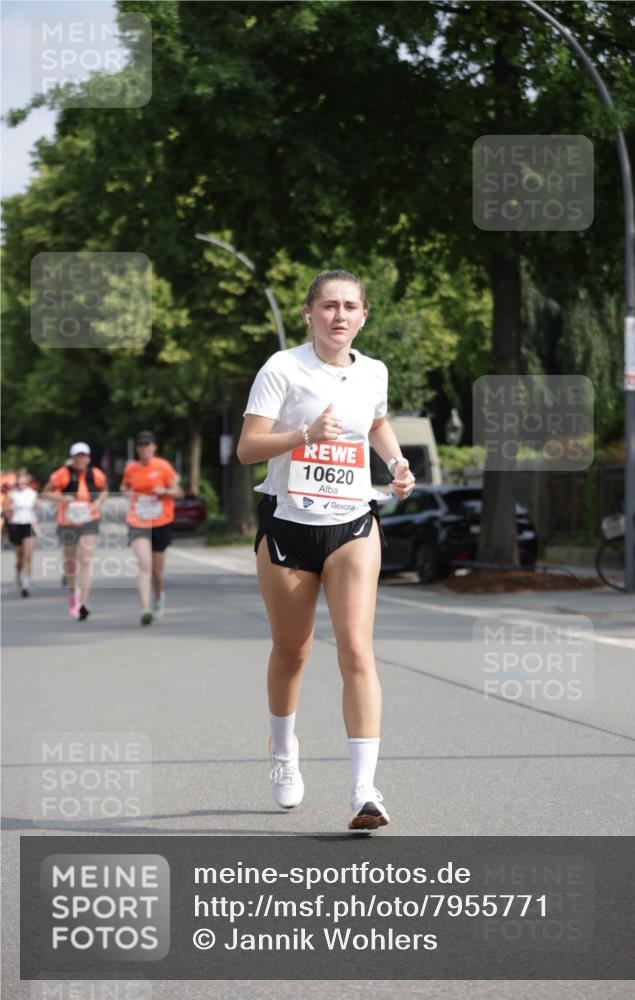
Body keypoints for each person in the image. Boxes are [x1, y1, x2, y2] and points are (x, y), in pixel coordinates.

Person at [237, 269, 415, 831]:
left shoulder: (374, 371)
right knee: (292, 652)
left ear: (364, 316)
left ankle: (365, 791)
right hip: (289, 525)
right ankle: (283, 749)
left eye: (350, 306)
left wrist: (397, 463)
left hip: (352, 523)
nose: (340, 315)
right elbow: (247, 448)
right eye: (329, 306)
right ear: (309, 313)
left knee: (357, 651)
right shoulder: (283, 368)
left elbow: (377, 422)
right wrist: (304, 436)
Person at [121, 431, 183, 626]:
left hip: (160, 521)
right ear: (137, 449)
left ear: (154, 447)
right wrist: (126, 493)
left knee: (157, 570)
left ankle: (159, 597)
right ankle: (145, 609)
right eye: (140, 446)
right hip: (138, 521)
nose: (144, 449)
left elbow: (178, 492)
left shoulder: (163, 467)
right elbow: (124, 487)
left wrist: (165, 491)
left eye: (147, 445)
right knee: (144, 565)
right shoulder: (131, 468)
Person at [43, 444, 108, 620]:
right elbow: (46, 493)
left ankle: (84, 603)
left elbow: (104, 490)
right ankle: (74, 594)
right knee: (71, 562)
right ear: (72, 458)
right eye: (77, 456)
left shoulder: (96, 474)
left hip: (89, 519)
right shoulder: (61, 474)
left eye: (83, 456)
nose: (80, 459)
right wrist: (62, 498)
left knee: (85, 560)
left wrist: (99, 502)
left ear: (88, 458)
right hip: (67, 521)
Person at [5, 467, 39, 597]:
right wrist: (9, 509)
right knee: (20, 557)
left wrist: (38, 504)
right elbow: (6, 509)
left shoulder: (32, 493)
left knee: (27, 556)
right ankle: (19, 573)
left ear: (27, 481)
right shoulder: (11, 494)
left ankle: (26, 584)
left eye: (24, 483)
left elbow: (38, 506)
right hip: (15, 525)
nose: (21, 485)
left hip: (29, 525)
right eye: (19, 483)